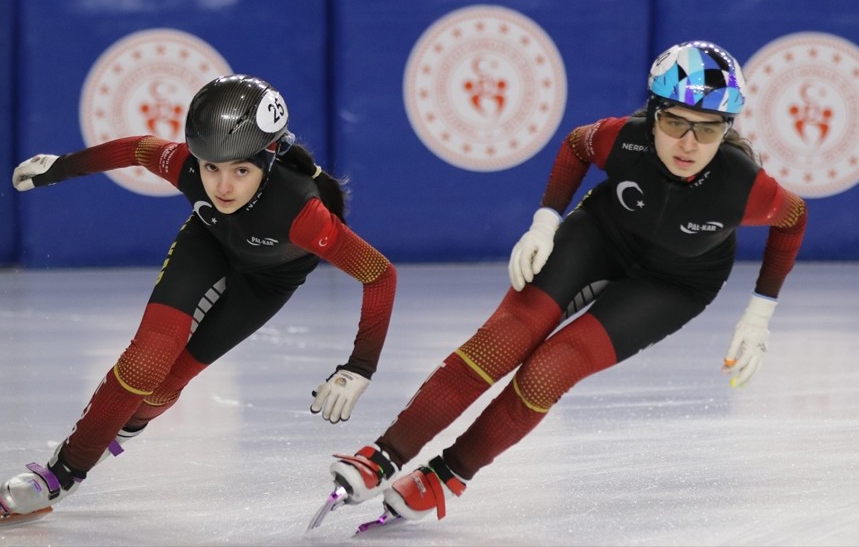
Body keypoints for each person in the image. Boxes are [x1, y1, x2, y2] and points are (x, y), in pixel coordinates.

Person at [322, 41, 807, 525]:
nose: (689, 143)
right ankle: (383, 456)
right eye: (675, 122)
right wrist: (546, 220)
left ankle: (447, 474)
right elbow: (578, 143)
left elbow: (794, 218)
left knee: (549, 371)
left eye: (708, 130)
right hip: (601, 236)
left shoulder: (742, 183)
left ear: (727, 130)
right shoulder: (625, 139)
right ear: (653, 114)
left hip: (676, 281)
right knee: (503, 340)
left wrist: (759, 313)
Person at [0, 74, 398, 520]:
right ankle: (65, 470)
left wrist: (360, 366)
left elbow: (379, 274)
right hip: (207, 244)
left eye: (241, 170)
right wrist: (58, 167)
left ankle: (117, 433)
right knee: (146, 359)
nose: (222, 187)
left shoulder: (302, 214)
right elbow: (136, 148)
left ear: (271, 157)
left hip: (265, 283)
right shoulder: (184, 165)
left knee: (162, 389)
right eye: (211, 168)